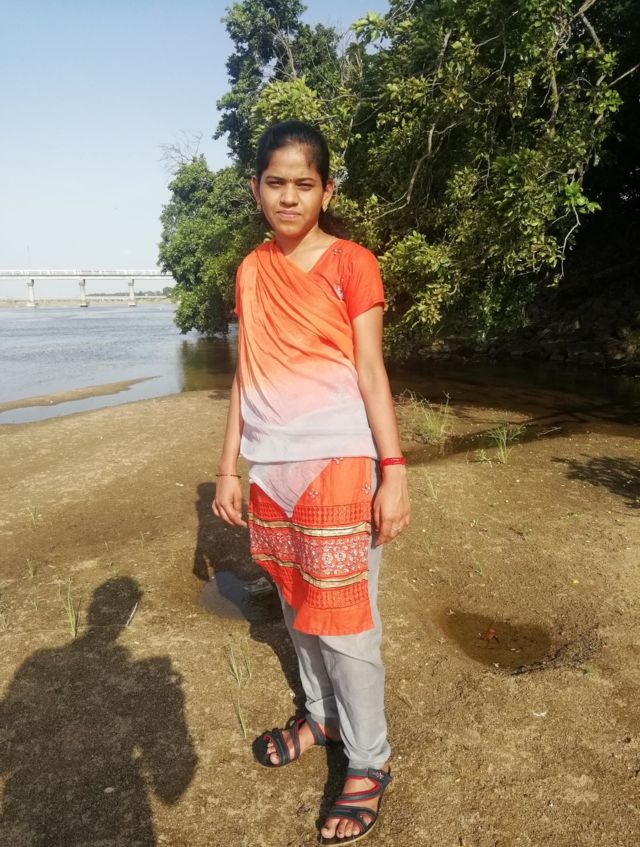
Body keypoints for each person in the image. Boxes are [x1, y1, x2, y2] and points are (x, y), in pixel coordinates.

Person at [212, 119, 410, 845]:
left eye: (304, 183)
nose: (289, 196)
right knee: (298, 608)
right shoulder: (250, 270)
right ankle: (322, 717)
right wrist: (228, 467)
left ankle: (369, 759)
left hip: (340, 462)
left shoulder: (353, 262)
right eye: (276, 182)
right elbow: (244, 375)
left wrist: (394, 471)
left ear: (326, 191)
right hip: (272, 469)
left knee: (349, 624)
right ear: (256, 188)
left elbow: (370, 371)